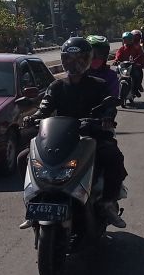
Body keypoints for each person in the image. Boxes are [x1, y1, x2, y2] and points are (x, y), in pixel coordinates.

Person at [28, 37, 127, 227]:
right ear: (63, 60)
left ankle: (107, 203)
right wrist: (35, 116)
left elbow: (109, 104)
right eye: (70, 60)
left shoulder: (98, 84)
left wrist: (106, 116)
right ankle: (33, 202)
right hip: (61, 139)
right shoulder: (56, 86)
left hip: (92, 136)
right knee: (24, 157)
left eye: (80, 59)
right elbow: (45, 106)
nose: (75, 64)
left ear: (88, 60)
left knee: (113, 157)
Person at [113, 31, 144, 95]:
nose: (127, 41)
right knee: (115, 74)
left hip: (132, 66)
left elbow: (142, 57)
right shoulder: (122, 49)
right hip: (123, 66)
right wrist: (116, 61)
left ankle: (136, 89)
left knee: (137, 74)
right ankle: (115, 90)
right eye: (125, 39)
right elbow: (117, 55)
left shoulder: (137, 48)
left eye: (128, 39)